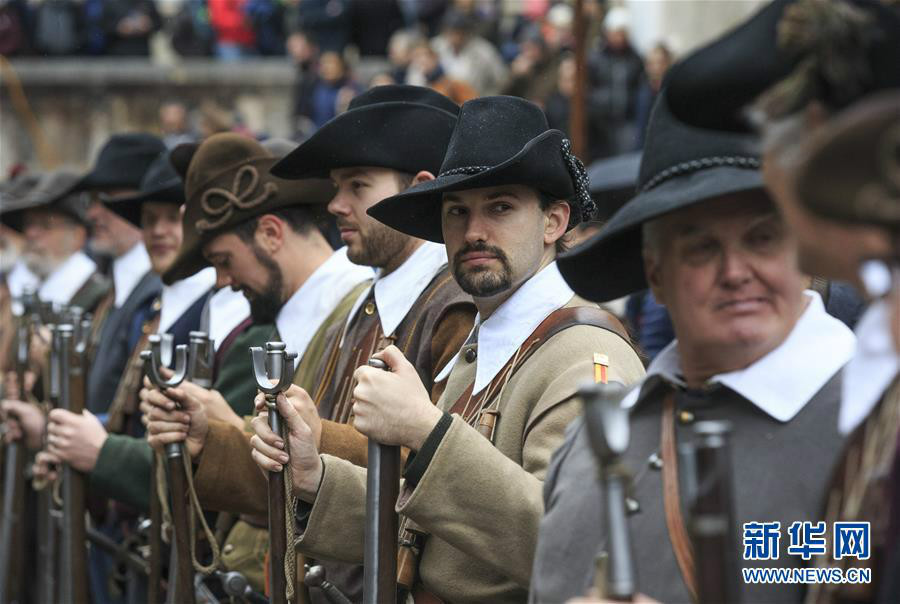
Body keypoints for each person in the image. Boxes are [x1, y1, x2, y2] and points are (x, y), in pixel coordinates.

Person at [249, 95, 645, 603]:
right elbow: (428, 529)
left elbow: (578, 543)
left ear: (554, 222)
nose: (473, 232)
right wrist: (315, 476)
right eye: (457, 211)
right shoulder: (490, 343)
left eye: (500, 207)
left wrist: (425, 431)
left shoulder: (587, 358)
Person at [144, 85, 477, 603]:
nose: (336, 203)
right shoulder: (354, 313)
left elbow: (436, 487)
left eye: (357, 186)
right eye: (338, 186)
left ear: (419, 189)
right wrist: (211, 437)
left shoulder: (456, 311)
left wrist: (298, 438)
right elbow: (298, 476)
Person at [530, 91, 857, 603]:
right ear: (656, 276)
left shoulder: (874, 433)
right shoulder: (593, 440)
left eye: (762, 237)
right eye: (701, 246)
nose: (734, 272)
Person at [0, 169, 110, 314]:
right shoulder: (25, 288)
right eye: (28, 224)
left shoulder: (97, 296)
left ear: (78, 236)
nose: (31, 234)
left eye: (45, 225)